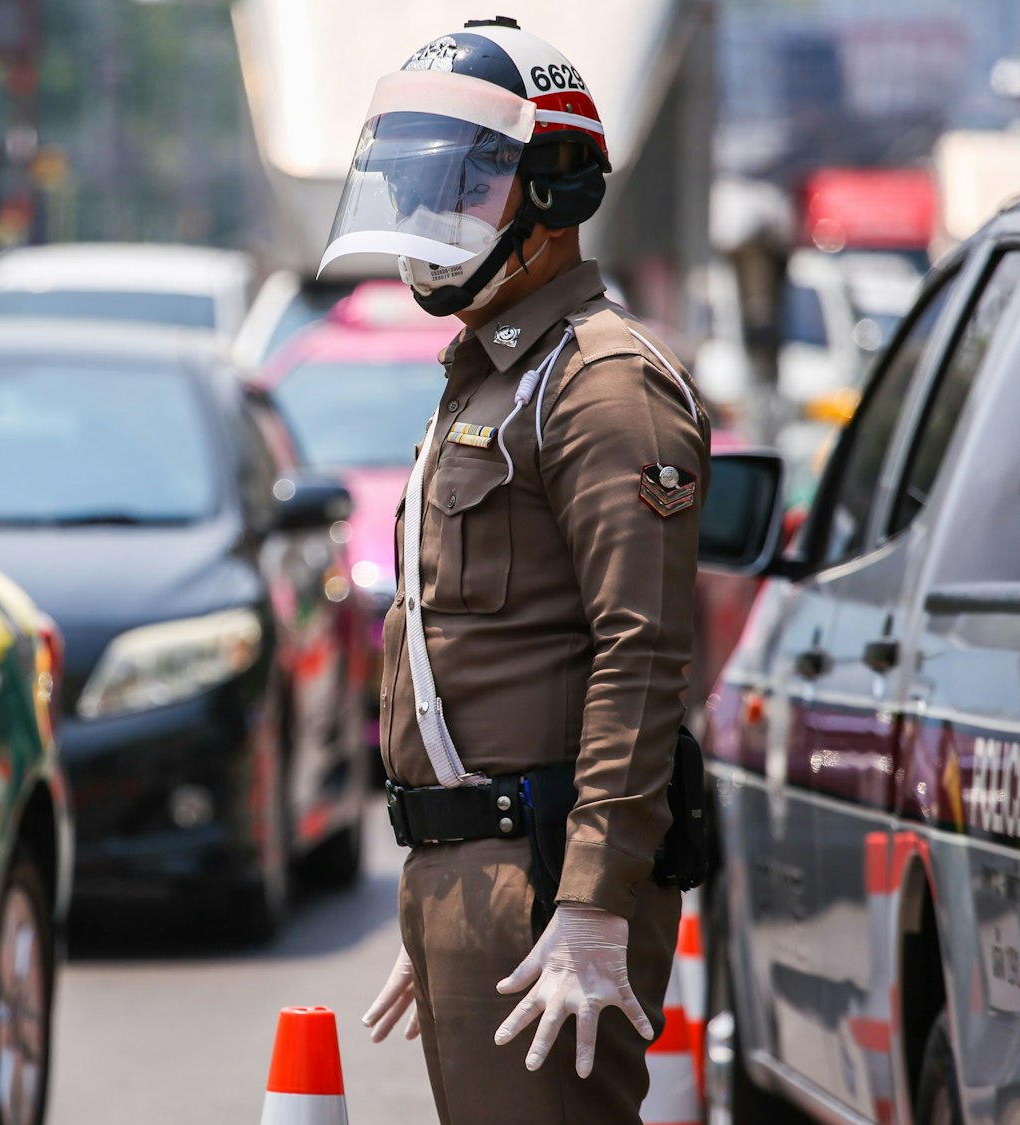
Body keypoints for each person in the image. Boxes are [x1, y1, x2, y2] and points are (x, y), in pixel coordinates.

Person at [320, 18, 710, 1123]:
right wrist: (439, 903)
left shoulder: (599, 384)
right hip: (476, 875)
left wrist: (585, 904)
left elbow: (641, 654)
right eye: (419, 185)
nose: (431, 217)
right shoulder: (491, 375)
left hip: (542, 871)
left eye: (464, 184)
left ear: (551, 196)